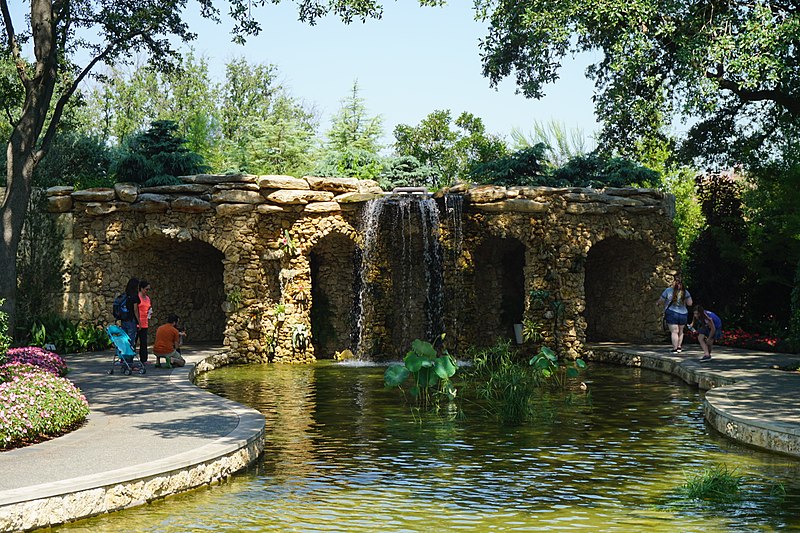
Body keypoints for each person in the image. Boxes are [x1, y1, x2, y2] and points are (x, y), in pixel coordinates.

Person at [657, 277, 693, 353]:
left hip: (672, 313)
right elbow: (690, 303)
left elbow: (661, 300)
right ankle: (679, 347)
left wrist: (658, 303)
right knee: (681, 331)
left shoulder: (668, 290)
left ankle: (675, 348)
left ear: (674, 282)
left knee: (674, 331)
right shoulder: (685, 292)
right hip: (683, 313)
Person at [135, 279, 152, 364]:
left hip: (145, 322)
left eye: (149, 289)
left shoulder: (148, 298)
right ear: (141, 288)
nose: (147, 291)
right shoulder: (137, 297)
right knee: (133, 341)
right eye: (146, 289)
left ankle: (144, 359)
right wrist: (138, 322)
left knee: (144, 342)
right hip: (137, 323)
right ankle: (128, 359)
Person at [120, 277, 140, 349]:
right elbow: (135, 310)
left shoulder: (125, 295)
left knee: (124, 339)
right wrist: (139, 321)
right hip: (131, 320)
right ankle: (128, 357)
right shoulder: (134, 296)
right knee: (130, 340)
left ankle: (123, 357)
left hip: (124, 319)